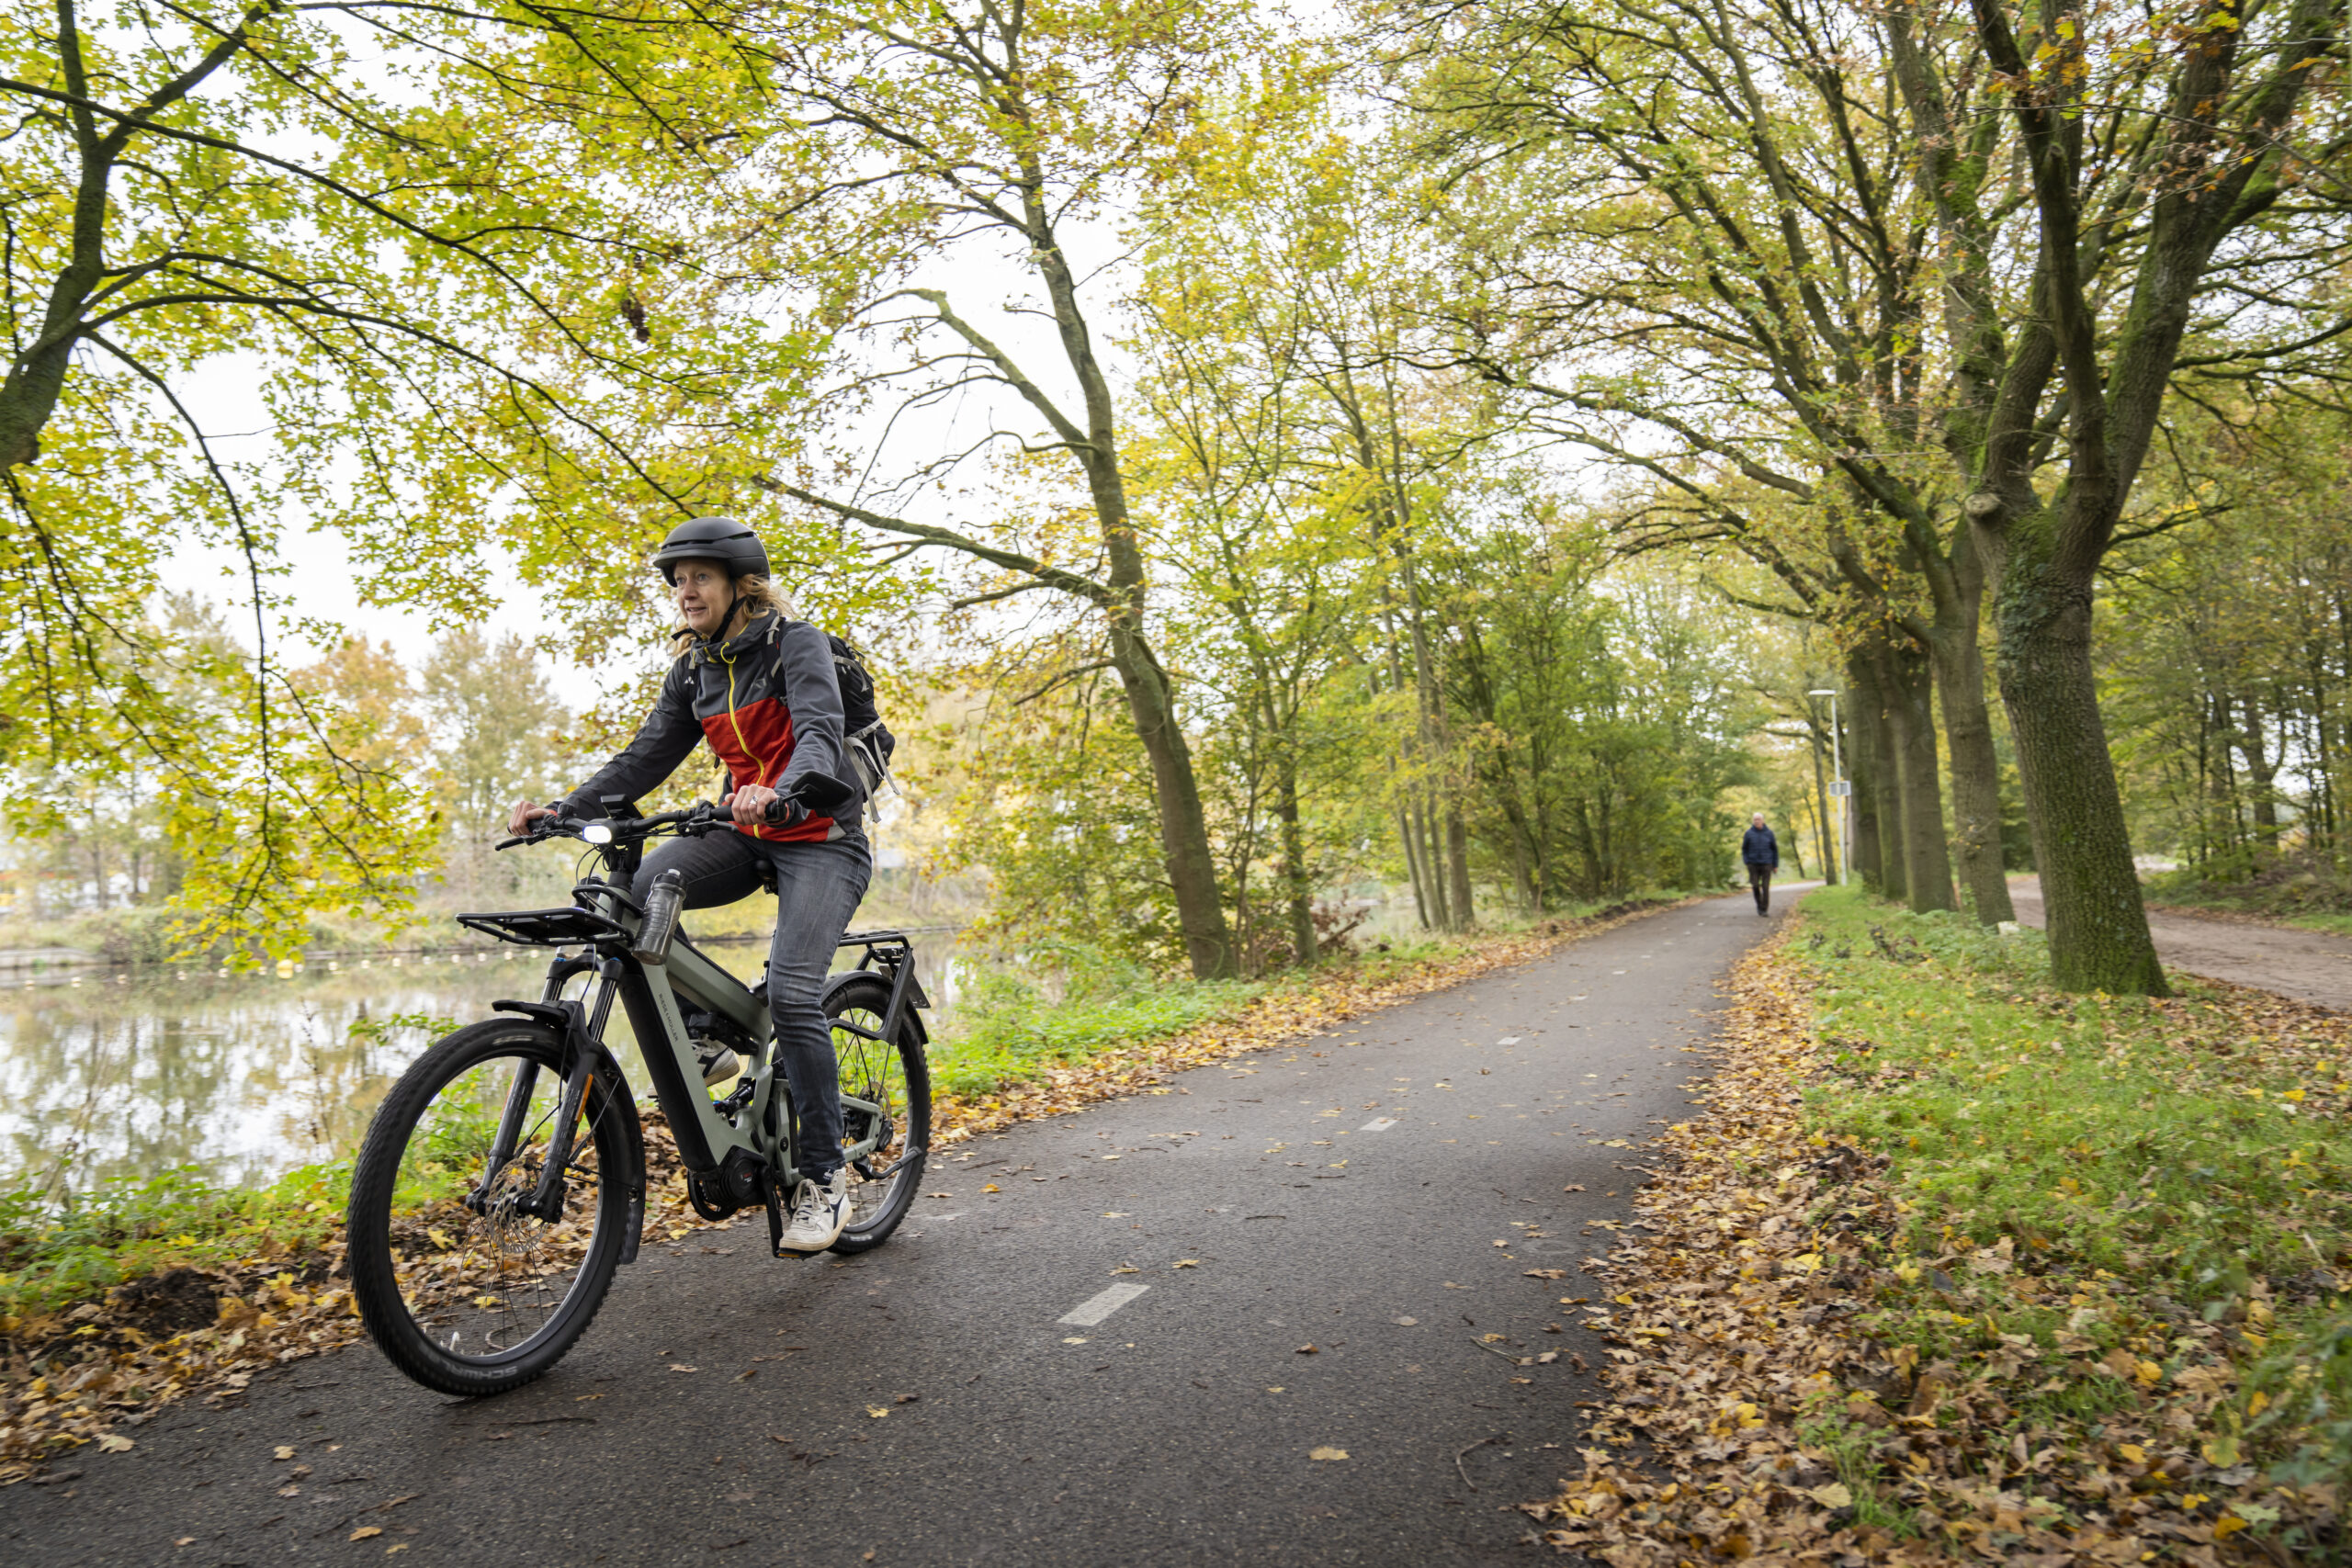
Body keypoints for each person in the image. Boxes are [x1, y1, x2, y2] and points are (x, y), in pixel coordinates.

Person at [507, 516, 869, 1254]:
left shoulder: (793, 644)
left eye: (699, 576)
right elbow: (642, 758)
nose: (684, 590)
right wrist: (563, 809)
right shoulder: (695, 670)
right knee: (637, 885)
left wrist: (782, 788)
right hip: (745, 832)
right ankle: (707, 1034)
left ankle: (827, 1179)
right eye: (677, 580)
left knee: (797, 992)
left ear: (742, 585)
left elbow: (821, 735)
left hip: (820, 836)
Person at [1741, 813, 1779, 916]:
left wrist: (1775, 865)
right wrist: (1747, 861)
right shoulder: (1748, 833)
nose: (1756, 821)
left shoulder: (1769, 833)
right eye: (1755, 819)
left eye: (1758, 819)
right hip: (1753, 864)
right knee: (1755, 885)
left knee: (1765, 887)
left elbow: (1775, 850)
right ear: (1753, 821)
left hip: (1767, 863)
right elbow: (1744, 849)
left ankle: (1764, 909)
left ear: (1762, 820)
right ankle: (1759, 905)